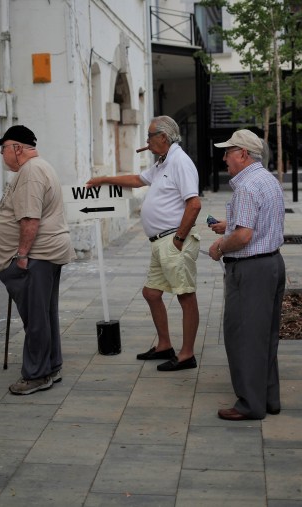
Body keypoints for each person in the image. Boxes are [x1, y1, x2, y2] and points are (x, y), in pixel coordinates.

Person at [86, 116, 201, 372]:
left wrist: (179, 240)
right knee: (151, 293)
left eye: (149, 136)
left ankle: (187, 354)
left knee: (185, 296)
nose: (146, 142)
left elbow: (194, 204)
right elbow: (138, 179)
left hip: (173, 240)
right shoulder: (162, 163)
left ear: (163, 137)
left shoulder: (180, 162)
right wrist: (105, 179)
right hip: (160, 242)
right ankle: (164, 345)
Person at [0, 125, 75, 394]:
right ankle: (51, 366)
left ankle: (37, 374)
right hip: (43, 253)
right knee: (45, 313)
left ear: (17, 148)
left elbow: (29, 218)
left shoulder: (30, 171)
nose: (2, 155)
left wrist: (22, 255)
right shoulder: (36, 168)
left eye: (3, 149)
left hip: (37, 255)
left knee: (36, 317)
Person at [208, 129, 285, 421]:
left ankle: (250, 404)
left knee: (243, 336)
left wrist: (220, 246)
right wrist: (230, 225)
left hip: (251, 268)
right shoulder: (267, 180)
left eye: (228, 152)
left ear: (243, 154)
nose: (225, 157)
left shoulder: (247, 186)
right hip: (272, 264)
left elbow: (243, 236)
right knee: (266, 335)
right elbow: (259, 220)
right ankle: (268, 397)